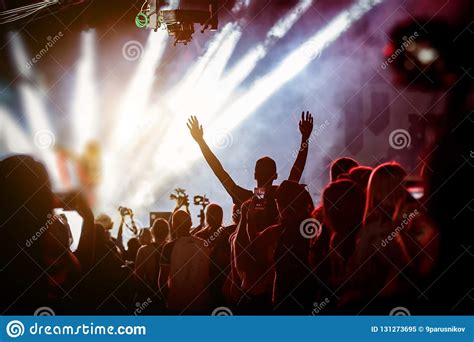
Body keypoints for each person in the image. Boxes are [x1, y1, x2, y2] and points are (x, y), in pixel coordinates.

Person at [187, 112, 314, 207]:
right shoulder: (282, 195)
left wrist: (201, 141)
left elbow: (219, 171)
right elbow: (297, 169)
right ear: (275, 175)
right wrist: (305, 138)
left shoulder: (246, 198)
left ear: (254, 175)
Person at [158, 210, 211, 313]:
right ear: (190, 223)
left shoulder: (169, 248)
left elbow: (162, 280)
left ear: (173, 225)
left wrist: (168, 300)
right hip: (201, 304)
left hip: (177, 304)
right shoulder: (204, 245)